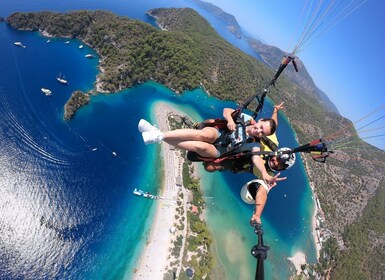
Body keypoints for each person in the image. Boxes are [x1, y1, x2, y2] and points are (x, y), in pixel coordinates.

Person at [138, 104, 284, 184]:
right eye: (260, 127)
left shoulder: (255, 145)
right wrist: (231, 120)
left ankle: (157, 134)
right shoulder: (246, 119)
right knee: (203, 135)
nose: (258, 131)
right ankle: (158, 135)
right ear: (260, 121)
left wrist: (265, 174)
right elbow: (227, 110)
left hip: (221, 150)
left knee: (200, 146)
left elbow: (256, 159)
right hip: (220, 133)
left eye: (262, 133)